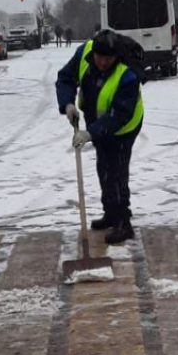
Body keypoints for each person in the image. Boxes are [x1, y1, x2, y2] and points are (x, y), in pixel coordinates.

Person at [56, 30, 145, 244]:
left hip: (124, 127)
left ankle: (123, 222)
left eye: (108, 58)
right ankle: (111, 214)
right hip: (97, 123)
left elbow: (120, 115)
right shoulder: (84, 53)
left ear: (116, 56)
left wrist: (90, 133)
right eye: (99, 57)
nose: (103, 62)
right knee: (103, 168)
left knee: (116, 172)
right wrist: (67, 103)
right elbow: (65, 78)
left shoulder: (127, 74)